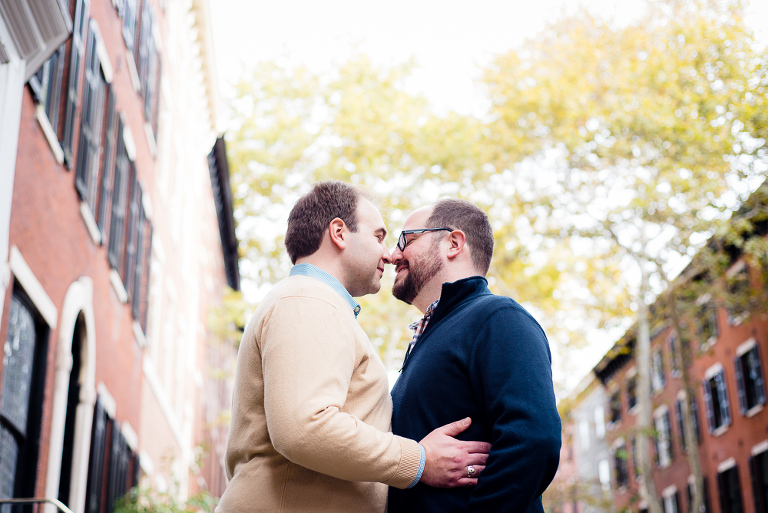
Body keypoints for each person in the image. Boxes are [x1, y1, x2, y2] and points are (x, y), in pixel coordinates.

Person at [216, 182, 491, 513]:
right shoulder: (307, 299)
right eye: (379, 236)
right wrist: (419, 460)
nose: (390, 254)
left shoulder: (314, 303)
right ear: (339, 233)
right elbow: (304, 427)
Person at [388, 199, 562, 512]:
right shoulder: (427, 341)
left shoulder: (499, 318)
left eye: (406, 240)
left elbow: (534, 441)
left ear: (453, 243)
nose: (391, 254)